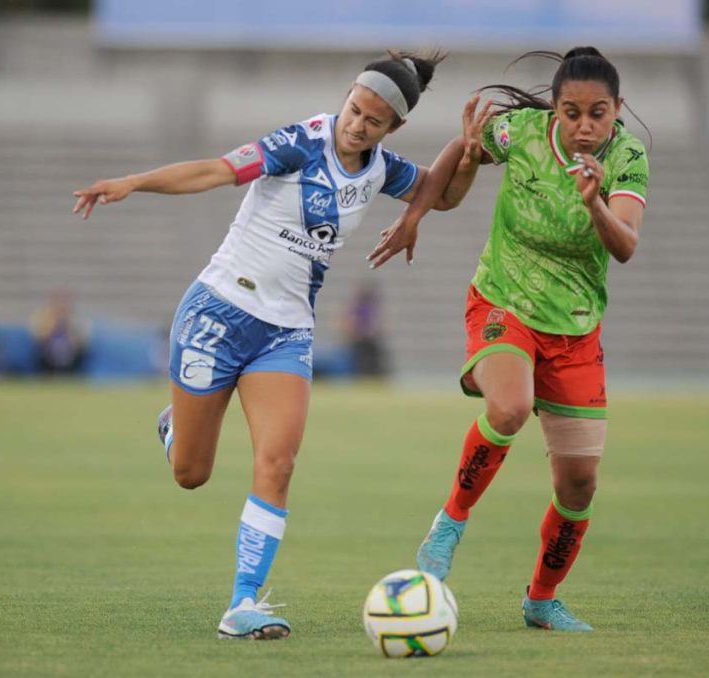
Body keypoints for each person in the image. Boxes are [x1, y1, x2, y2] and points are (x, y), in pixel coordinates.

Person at [71, 50, 485, 640]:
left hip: (285, 332)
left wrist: (467, 159)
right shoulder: (301, 141)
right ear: (345, 97)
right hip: (217, 310)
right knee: (192, 473)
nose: (355, 125)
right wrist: (134, 183)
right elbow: (216, 170)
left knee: (278, 462)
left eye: (372, 120)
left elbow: (442, 195)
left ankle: (242, 604)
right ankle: (176, 428)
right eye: (353, 109)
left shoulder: (381, 169)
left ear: (394, 128)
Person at [370, 47, 650, 632]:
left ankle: (541, 601)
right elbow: (462, 150)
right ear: (553, 107)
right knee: (510, 405)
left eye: (598, 113)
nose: (583, 126)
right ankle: (450, 522)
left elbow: (623, 245)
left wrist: (593, 200)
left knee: (578, 484)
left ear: (617, 109)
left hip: (575, 330)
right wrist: (416, 212)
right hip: (504, 300)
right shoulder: (521, 132)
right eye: (571, 112)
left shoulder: (627, 157)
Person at [31, 291, 90, 374]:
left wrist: (68, 326)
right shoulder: (44, 316)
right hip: (49, 354)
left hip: (71, 354)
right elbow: (39, 337)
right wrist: (54, 322)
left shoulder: (74, 318)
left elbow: (81, 340)